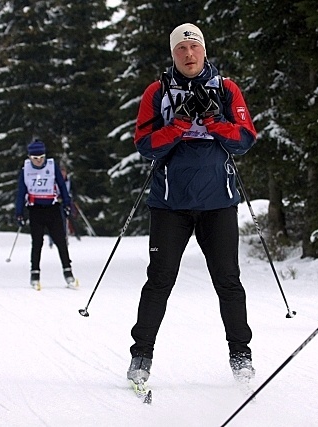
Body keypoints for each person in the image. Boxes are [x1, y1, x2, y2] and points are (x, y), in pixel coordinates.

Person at [126, 23, 258, 387]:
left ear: (204, 50)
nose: (188, 54)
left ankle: (241, 354)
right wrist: (181, 123)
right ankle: (141, 356)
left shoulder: (227, 89)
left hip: (218, 202)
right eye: (181, 49)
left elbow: (245, 139)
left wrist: (215, 120)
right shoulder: (157, 91)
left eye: (193, 47)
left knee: (228, 281)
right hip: (171, 204)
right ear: (173, 54)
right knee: (160, 279)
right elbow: (145, 145)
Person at [14, 140, 78, 290]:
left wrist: (67, 203)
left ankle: (68, 273)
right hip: (35, 210)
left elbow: (62, 186)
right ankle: (34, 274)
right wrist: (19, 213)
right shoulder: (26, 170)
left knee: (61, 241)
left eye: (41, 157)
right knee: (37, 243)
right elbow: (21, 193)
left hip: (53, 209)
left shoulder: (51, 166)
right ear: (30, 157)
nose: (39, 161)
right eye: (35, 158)